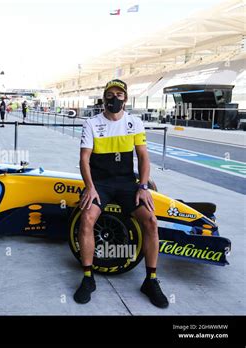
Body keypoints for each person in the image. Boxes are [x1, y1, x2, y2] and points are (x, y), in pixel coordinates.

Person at [75, 79, 168, 308]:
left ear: (125, 98)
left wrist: (143, 186)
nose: (114, 98)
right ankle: (88, 277)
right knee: (86, 219)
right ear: (104, 98)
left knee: (151, 222)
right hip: (101, 184)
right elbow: (84, 159)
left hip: (127, 184)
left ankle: (151, 280)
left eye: (119, 94)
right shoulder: (91, 123)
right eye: (110, 94)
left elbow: (144, 158)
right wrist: (90, 186)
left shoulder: (134, 123)